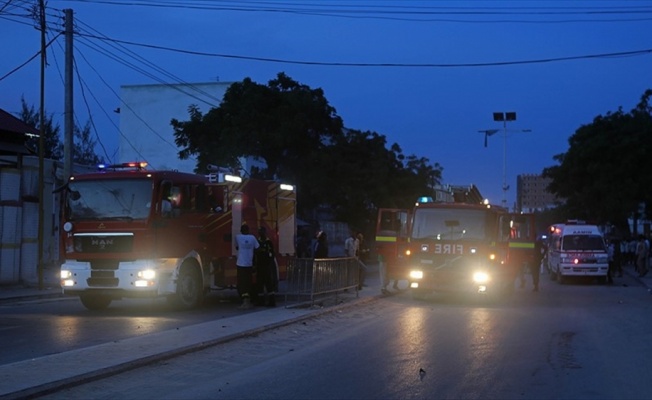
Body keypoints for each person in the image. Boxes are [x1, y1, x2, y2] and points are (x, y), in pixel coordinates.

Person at [235, 224, 259, 309]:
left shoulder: (238, 237)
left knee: (242, 283)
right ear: (248, 230)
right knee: (248, 283)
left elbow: (237, 247)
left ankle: (245, 302)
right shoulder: (252, 238)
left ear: (241, 231)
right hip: (249, 264)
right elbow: (257, 247)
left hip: (241, 264)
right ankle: (248, 301)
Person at [254, 226, 278, 307]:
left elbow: (272, 254)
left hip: (267, 266)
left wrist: (270, 263)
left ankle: (272, 302)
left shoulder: (268, 242)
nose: (261, 233)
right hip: (259, 266)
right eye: (260, 232)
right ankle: (261, 301)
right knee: (259, 284)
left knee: (269, 284)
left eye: (262, 232)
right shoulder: (257, 242)